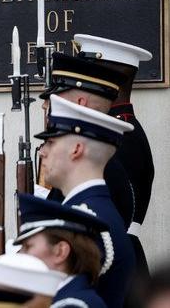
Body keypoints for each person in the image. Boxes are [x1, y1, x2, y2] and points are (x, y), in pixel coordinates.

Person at [36, 94, 136, 308]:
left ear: (76, 149)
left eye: (51, 142)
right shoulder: (89, 211)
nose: (43, 152)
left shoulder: (84, 222)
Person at [75, 33, 154, 278]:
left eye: (89, 76)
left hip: (116, 266)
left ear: (109, 83)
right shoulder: (116, 131)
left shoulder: (120, 136)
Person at [39, 52, 134, 229]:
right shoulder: (100, 159)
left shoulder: (102, 165)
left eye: (54, 97)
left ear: (80, 103)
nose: (45, 105)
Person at [15, 193, 111, 308]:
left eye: (28, 247)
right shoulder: (65, 300)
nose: (20, 254)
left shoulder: (72, 305)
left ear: (60, 252)